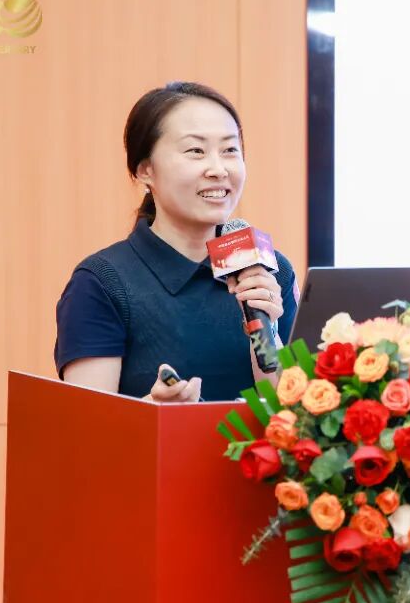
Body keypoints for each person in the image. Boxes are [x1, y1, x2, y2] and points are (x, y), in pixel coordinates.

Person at [53, 82, 298, 402]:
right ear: (145, 170)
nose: (218, 169)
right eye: (196, 151)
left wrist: (268, 330)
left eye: (229, 150)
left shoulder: (270, 270)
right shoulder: (102, 282)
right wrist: (153, 410)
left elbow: (293, 412)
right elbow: (87, 422)